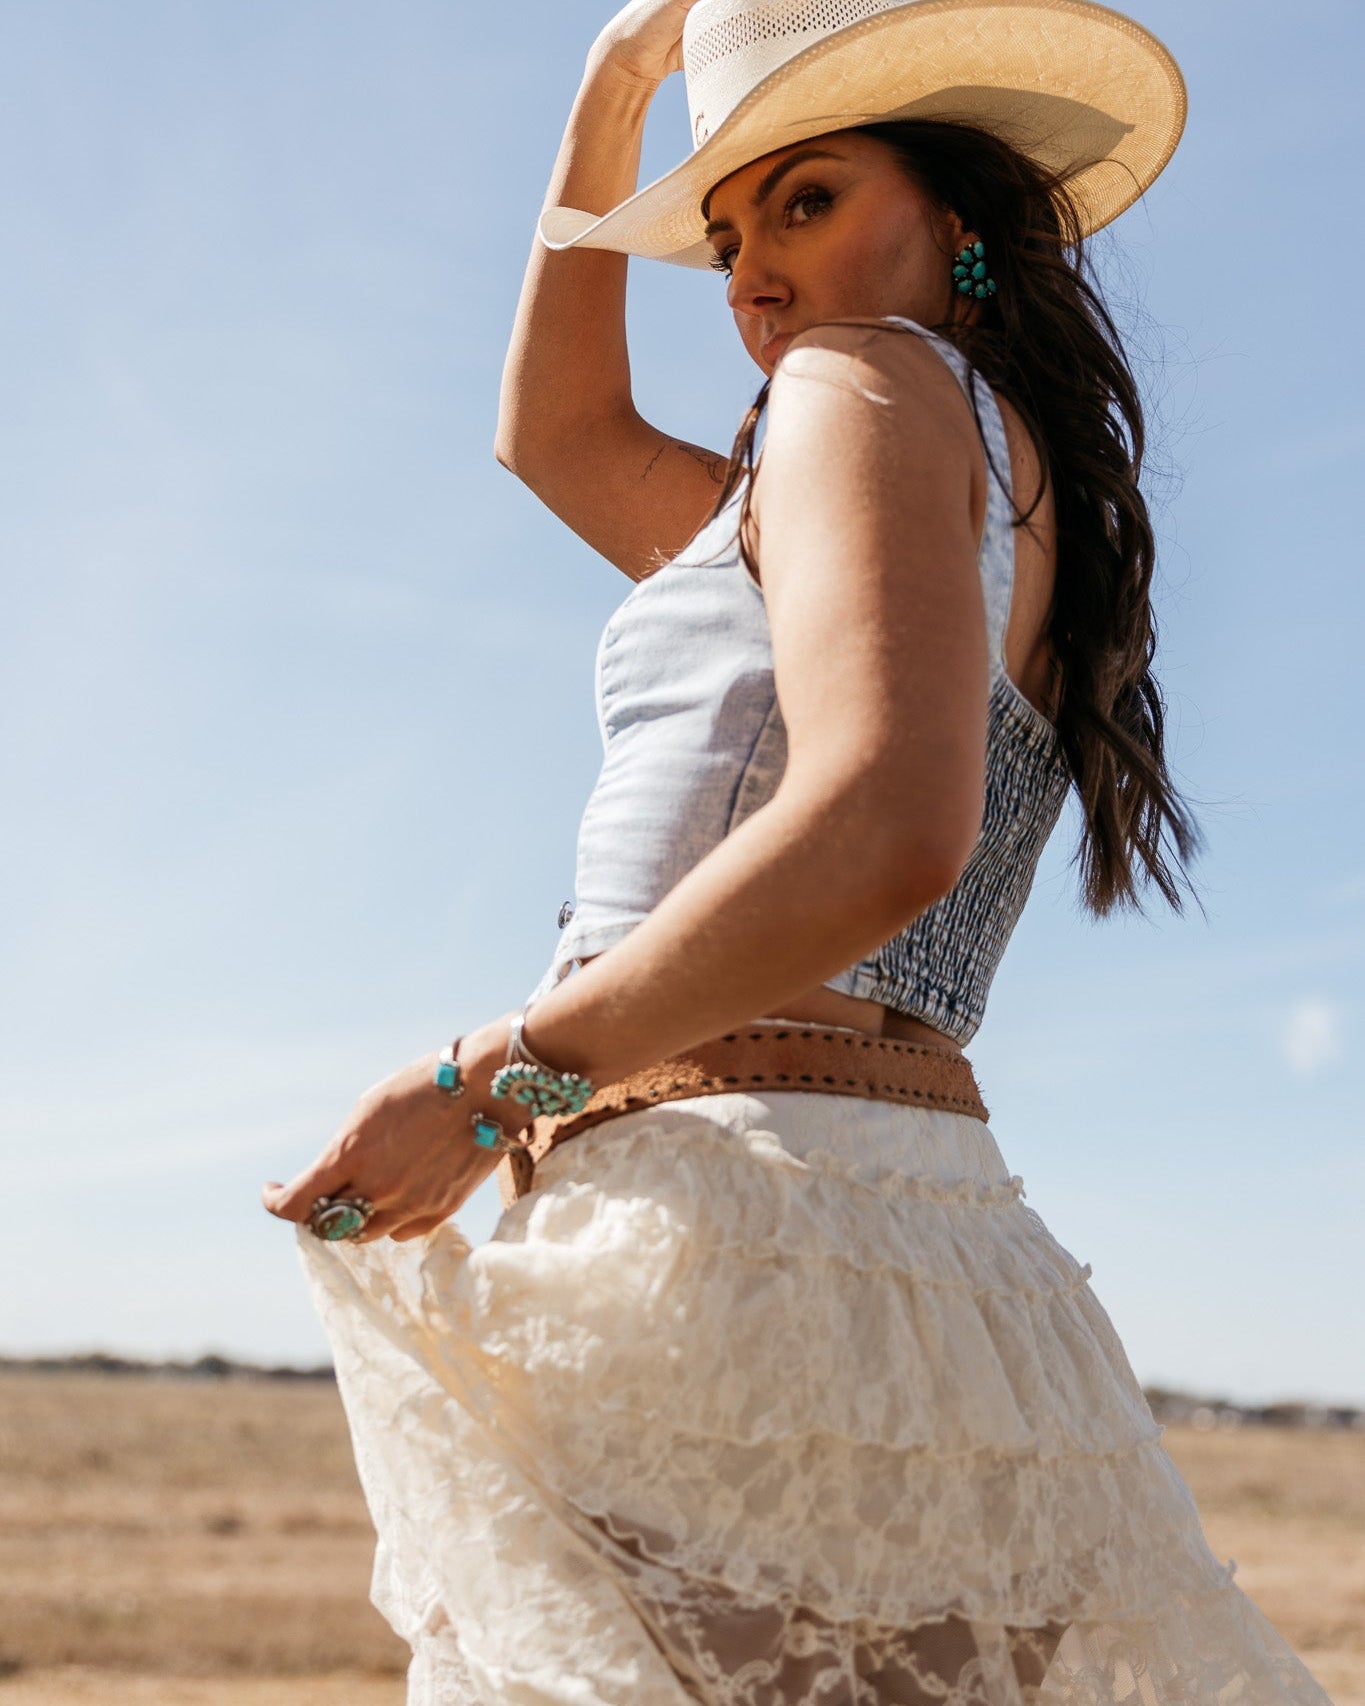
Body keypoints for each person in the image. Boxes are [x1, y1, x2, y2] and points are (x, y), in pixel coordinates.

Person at [262, 0, 1336, 1700]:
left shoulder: (864, 381)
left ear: (958, 223)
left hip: (723, 1217)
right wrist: (614, 94)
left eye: (806, 199)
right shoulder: (989, 470)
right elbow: (554, 437)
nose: (751, 274)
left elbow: (890, 824)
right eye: (726, 229)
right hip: (936, 1255)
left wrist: (496, 1082)